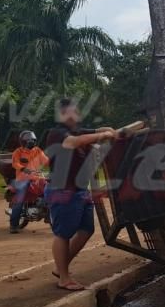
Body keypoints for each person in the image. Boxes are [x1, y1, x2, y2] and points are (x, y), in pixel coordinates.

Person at [44, 99, 117, 291]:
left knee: (86, 230)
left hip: (79, 191)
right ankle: (64, 278)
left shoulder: (76, 131)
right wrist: (103, 134)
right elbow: (75, 142)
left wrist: (106, 130)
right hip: (63, 190)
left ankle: (61, 267)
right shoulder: (57, 134)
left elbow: (90, 133)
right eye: (71, 112)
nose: (75, 115)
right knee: (63, 234)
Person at [9, 131, 49, 234]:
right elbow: (15, 163)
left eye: (33, 140)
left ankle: (48, 214)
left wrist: (55, 162)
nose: (31, 141)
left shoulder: (38, 151)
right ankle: (13, 225)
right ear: (23, 141)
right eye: (29, 140)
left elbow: (46, 161)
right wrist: (22, 168)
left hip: (37, 178)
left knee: (49, 191)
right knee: (19, 200)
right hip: (23, 179)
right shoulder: (18, 152)